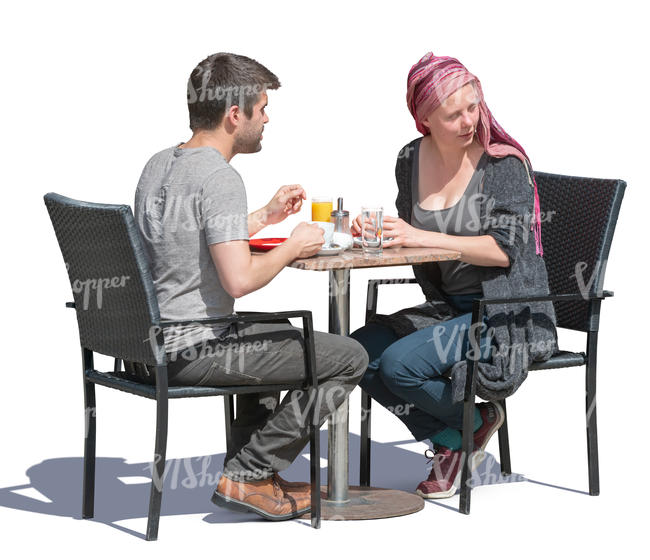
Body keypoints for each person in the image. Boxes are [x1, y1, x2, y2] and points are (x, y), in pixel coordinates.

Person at [133, 53, 368, 521]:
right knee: (349, 356)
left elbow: (188, 238)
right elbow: (238, 280)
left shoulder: (159, 164)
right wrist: (293, 243)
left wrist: (264, 215)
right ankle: (251, 473)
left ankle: (252, 476)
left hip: (145, 346)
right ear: (233, 115)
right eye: (261, 109)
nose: (266, 118)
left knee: (278, 330)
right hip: (191, 350)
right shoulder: (220, 177)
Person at [350, 52, 557, 499]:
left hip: (502, 311)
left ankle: (455, 441)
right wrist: (380, 233)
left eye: (472, 107)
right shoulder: (410, 159)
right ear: (423, 116)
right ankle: (462, 434)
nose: (468, 121)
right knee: (353, 356)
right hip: (447, 307)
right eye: (453, 114)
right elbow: (418, 237)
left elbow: (504, 251)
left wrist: (419, 234)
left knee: (400, 365)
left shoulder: (502, 166)